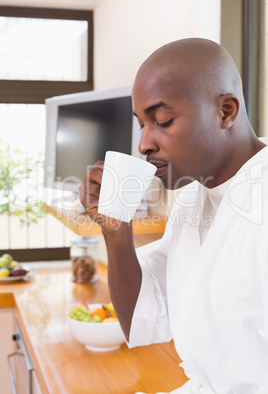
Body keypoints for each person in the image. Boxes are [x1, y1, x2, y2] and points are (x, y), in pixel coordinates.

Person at [79, 38, 268, 394]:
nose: (144, 144)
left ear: (225, 111)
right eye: (141, 124)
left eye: (162, 121)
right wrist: (116, 231)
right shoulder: (193, 196)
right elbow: (143, 317)